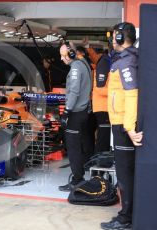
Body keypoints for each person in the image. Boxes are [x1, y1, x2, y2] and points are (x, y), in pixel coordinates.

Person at [100, 22, 143, 230]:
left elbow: (131, 94)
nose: (111, 39)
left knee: (125, 175)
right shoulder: (124, 59)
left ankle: (126, 219)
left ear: (119, 38)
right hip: (121, 124)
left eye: (114, 36)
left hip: (123, 127)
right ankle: (127, 215)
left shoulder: (126, 62)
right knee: (126, 174)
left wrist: (129, 127)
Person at [58, 43, 92, 192]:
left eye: (62, 54)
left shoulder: (76, 67)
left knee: (73, 148)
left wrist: (66, 111)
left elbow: (74, 91)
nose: (61, 58)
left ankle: (77, 180)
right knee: (77, 146)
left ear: (71, 54)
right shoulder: (83, 63)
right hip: (83, 111)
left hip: (76, 113)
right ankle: (78, 177)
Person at [83, 38, 112, 153]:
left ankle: (99, 160)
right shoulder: (105, 62)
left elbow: (93, 56)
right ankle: (100, 161)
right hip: (103, 107)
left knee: (102, 135)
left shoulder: (101, 62)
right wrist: (116, 92)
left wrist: (87, 47)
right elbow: (100, 89)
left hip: (100, 106)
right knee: (103, 137)